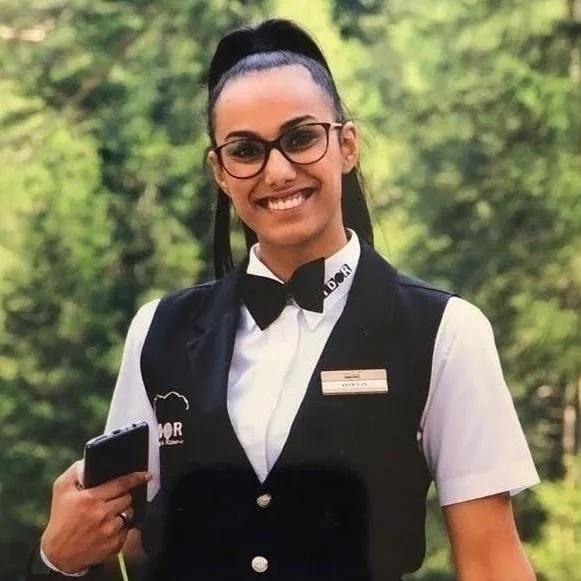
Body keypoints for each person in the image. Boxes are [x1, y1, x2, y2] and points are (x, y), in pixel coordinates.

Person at [27, 17, 540, 581]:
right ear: (220, 172)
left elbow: (491, 561)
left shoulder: (446, 332)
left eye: (300, 139)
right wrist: (58, 557)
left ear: (346, 145)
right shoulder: (158, 331)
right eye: (246, 150)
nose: (277, 171)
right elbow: (124, 546)